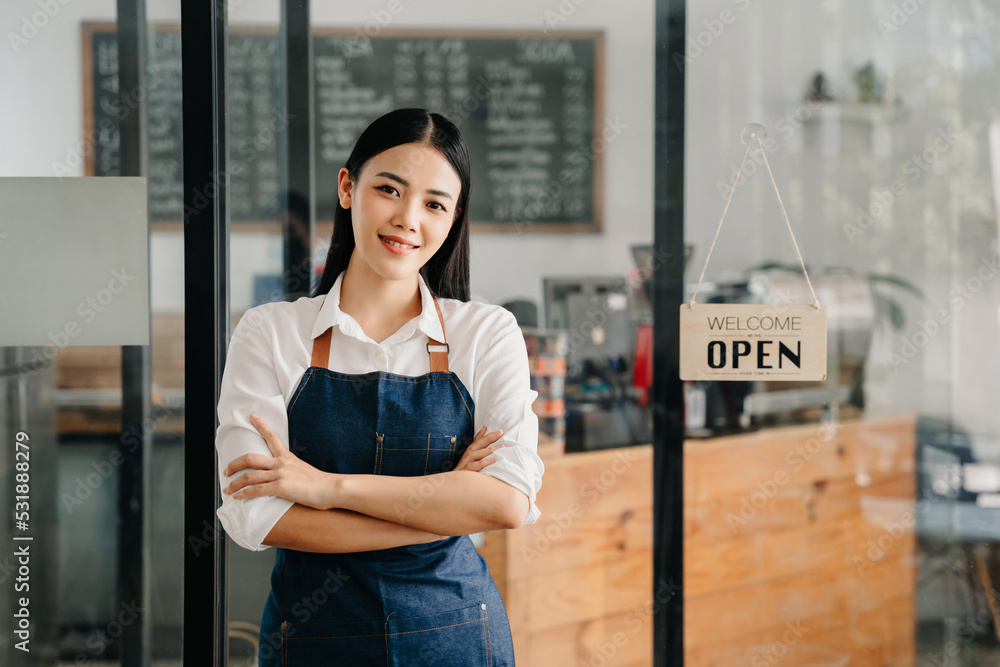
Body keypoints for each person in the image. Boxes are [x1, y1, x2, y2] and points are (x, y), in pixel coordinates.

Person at [214, 108, 544, 666]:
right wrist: (442, 505)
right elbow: (259, 516)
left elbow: (507, 502)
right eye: (389, 190)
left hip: (455, 636)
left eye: (434, 204)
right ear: (348, 187)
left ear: (453, 218)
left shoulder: (487, 333)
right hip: (315, 642)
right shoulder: (270, 331)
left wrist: (325, 489)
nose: (408, 218)